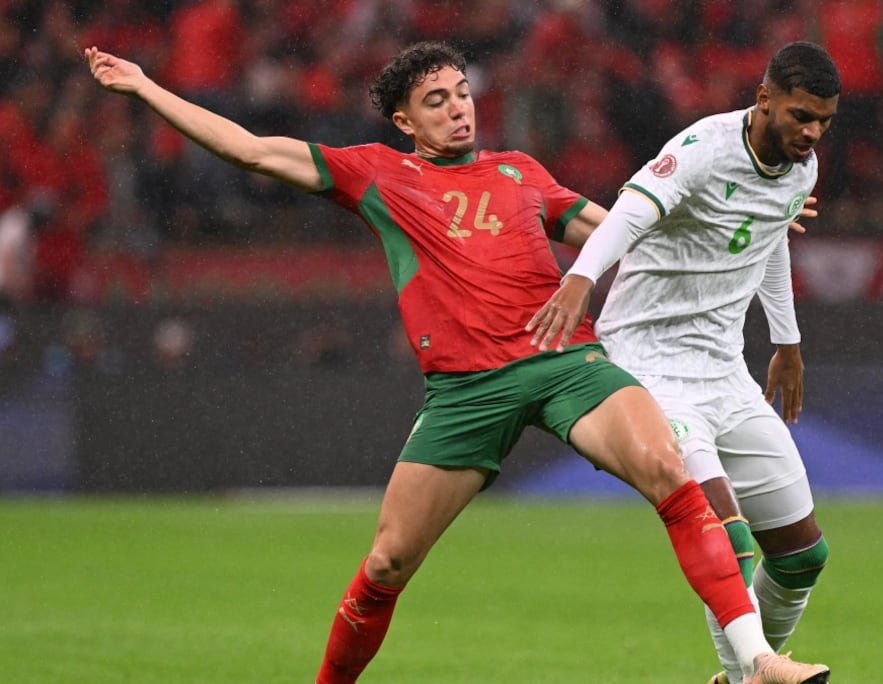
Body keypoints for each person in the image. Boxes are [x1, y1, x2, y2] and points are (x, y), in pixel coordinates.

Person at [84, 42, 832, 684]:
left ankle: (756, 663)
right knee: (386, 566)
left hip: (565, 363)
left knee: (672, 473)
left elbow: (627, 231)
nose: (458, 109)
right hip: (466, 392)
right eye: (436, 101)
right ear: (405, 122)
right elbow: (250, 149)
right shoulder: (380, 175)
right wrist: (147, 88)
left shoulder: (521, 173)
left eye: (463, 93)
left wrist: (740, 210)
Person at [528, 42, 838, 684]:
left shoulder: (800, 170)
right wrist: (582, 276)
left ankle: (747, 675)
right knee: (726, 535)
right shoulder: (703, 148)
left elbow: (768, 242)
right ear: (764, 100)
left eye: (824, 122)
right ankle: (760, 667)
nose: (812, 133)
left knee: (802, 555)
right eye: (801, 116)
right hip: (648, 367)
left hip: (724, 370)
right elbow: (633, 212)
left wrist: (787, 342)